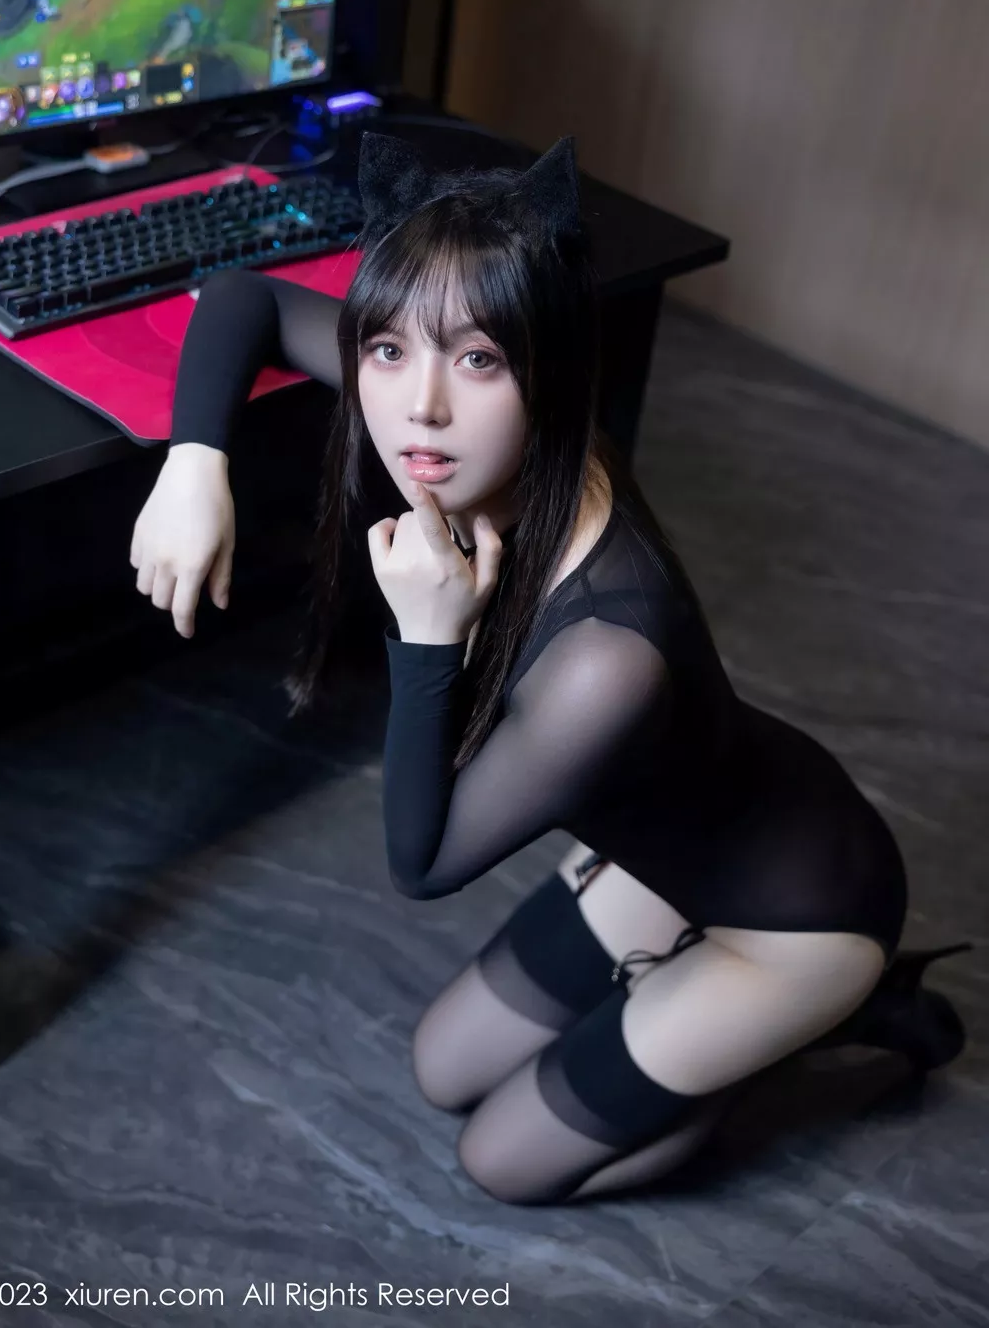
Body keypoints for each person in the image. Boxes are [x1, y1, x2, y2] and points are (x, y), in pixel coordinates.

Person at [129, 132, 971, 1205]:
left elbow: (423, 864)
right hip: (663, 852)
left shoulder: (606, 661)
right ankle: (690, 1016)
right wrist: (194, 464)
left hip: (796, 914)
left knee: (504, 1163)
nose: (419, 406)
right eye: (386, 349)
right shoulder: (493, 432)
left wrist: (429, 637)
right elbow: (241, 297)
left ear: (547, 371)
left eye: (479, 360)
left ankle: (823, 1024)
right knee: (443, 1067)